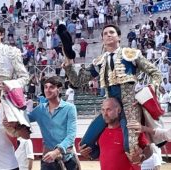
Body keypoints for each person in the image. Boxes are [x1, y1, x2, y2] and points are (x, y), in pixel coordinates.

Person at [62, 24, 162, 156]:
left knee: (131, 149)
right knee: (84, 145)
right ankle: (105, 155)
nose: (108, 35)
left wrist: (150, 91)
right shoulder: (99, 61)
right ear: (102, 39)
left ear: (118, 37)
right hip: (110, 109)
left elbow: (155, 73)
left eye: (112, 32)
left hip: (130, 108)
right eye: (105, 33)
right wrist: (68, 67)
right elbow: (78, 81)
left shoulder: (131, 54)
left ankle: (148, 157)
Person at [79, 98, 152, 170]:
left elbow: (149, 149)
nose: (105, 114)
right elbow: (102, 155)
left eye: (108, 110)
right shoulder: (100, 132)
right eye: (103, 110)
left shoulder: (130, 130)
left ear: (119, 110)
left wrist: (142, 157)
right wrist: (86, 154)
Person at [27, 76, 78, 170]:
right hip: (48, 159)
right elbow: (24, 119)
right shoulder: (40, 109)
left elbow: (71, 135)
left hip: (67, 158)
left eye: (51, 87)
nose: (47, 90)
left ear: (59, 89)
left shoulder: (70, 108)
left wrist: (56, 152)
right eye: (46, 87)